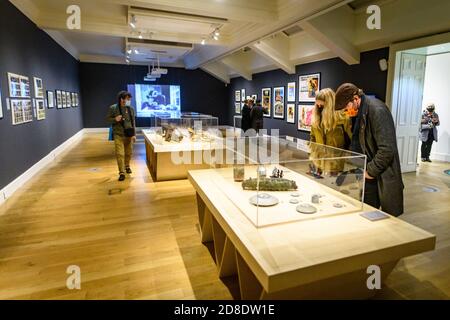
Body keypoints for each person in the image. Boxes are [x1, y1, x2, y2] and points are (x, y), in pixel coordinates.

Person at [335, 83, 404, 217]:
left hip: (382, 173)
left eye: (346, 107)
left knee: (387, 220)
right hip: (370, 173)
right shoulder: (362, 111)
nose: (346, 112)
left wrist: (370, 171)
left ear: (355, 99)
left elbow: (387, 149)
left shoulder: (377, 110)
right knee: (367, 212)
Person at [107, 91, 137, 181]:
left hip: (129, 134)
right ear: (121, 99)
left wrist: (134, 134)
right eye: (127, 99)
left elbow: (133, 122)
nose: (129, 100)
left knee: (129, 153)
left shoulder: (131, 109)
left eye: (129, 99)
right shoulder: (113, 108)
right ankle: (121, 172)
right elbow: (108, 119)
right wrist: (115, 119)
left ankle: (127, 166)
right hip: (118, 134)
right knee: (120, 153)